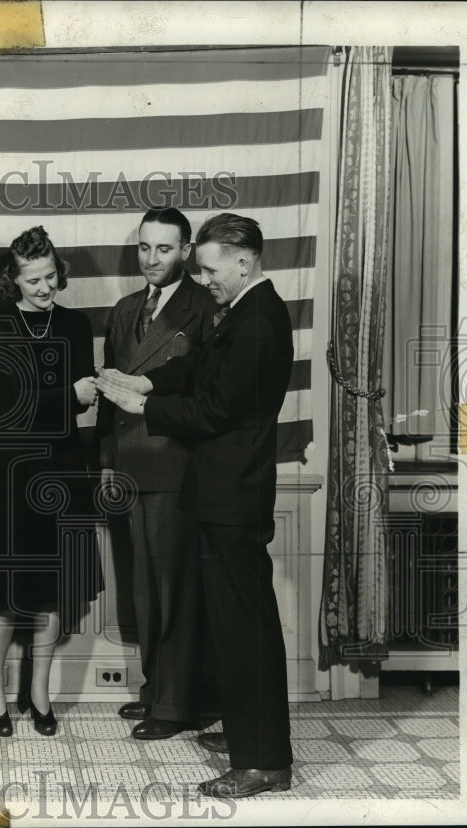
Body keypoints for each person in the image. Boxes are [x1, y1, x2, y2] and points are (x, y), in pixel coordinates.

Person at [98, 213, 294, 798]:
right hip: (222, 493)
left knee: (247, 630)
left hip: (233, 495)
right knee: (232, 628)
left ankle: (262, 762)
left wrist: (142, 410)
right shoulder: (241, 314)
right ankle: (245, 734)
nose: (201, 278)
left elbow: (213, 412)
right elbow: (198, 370)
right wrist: (144, 383)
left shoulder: (258, 321)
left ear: (244, 260)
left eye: (208, 268)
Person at [0, 226, 104, 738]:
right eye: (33, 280)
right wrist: (64, 396)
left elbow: (78, 399)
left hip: (63, 474)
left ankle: (39, 690)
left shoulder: (75, 324)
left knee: (49, 591)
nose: (45, 288)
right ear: (14, 280)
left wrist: (44, 399)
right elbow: (2, 408)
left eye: (51, 276)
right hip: (6, 477)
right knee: (4, 592)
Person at [96, 207, 217, 740]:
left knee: (174, 589)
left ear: (186, 251)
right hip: (128, 464)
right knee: (143, 589)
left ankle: (176, 704)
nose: (151, 259)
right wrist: (104, 463)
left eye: (164, 249)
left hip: (176, 463)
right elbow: (107, 397)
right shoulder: (124, 310)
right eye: (144, 248)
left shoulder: (205, 306)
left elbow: (202, 391)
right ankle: (156, 689)